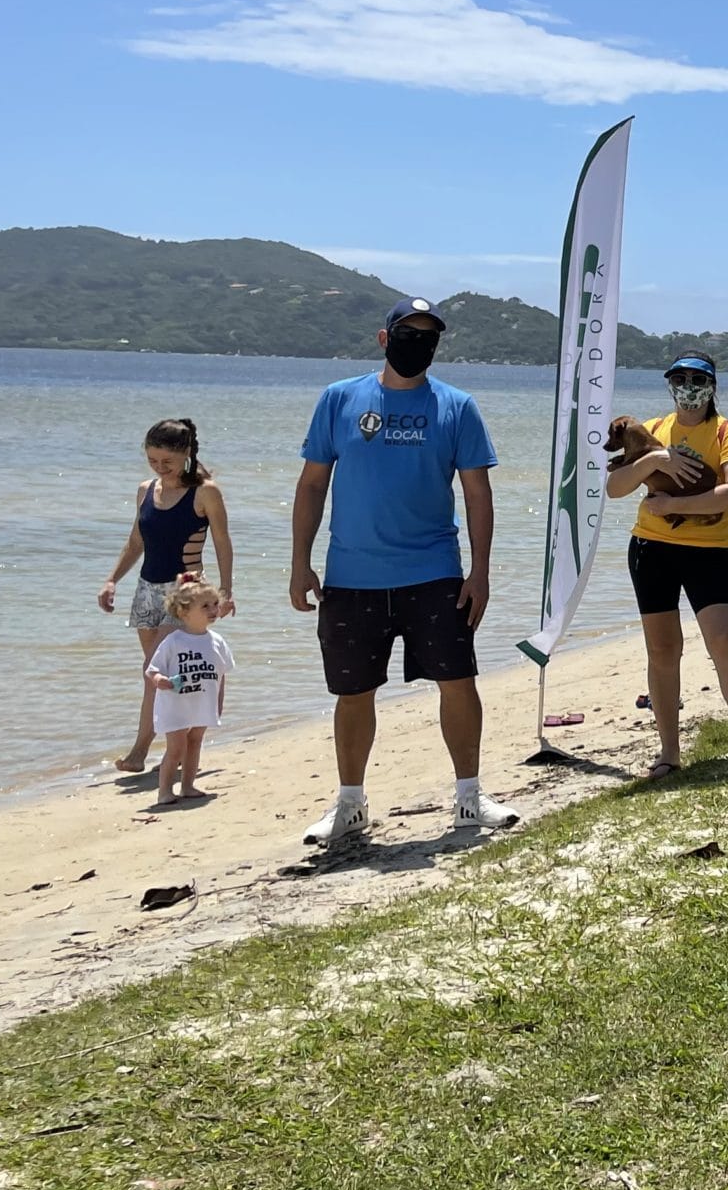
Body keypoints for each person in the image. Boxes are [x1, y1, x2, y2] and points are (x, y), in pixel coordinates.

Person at [290, 296, 515, 845]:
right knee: (353, 691)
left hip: (434, 572)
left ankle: (469, 797)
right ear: (384, 338)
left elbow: (477, 493)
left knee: (457, 682)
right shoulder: (340, 398)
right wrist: (300, 562)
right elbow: (313, 483)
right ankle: (349, 804)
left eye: (429, 337)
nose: (419, 344)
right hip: (351, 575)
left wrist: (479, 572)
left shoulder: (457, 407)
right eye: (408, 334)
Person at [608, 351, 728, 775]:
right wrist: (656, 460)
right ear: (669, 384)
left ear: (713, 385)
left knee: (725, 643)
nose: (689, 387)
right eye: (680, 378)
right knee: (662, 650)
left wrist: (677, 504)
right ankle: (669, 754)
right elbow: (615, 488)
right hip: (650, 549)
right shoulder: (651, 431)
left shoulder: (726, 433)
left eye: (698, 379)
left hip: (708, 551)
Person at [97, 417, 234, 774]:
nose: (160, 468)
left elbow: (222, 542)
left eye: (167, 462)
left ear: (186, 454)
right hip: (146, 590)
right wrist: (112, 580)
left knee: (153, 670)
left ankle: (141, 750)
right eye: (153, 461)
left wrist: (225, 591)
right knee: (166, 677)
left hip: (185, 592)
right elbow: (136, 541)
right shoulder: (145, 490)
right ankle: (180, 746)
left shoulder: (206, 492)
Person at [143, 576, 231, 805]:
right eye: (205, 606)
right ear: (184, 613)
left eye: (215, 604)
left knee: (195, 741)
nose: (213, 610)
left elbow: (222, 675)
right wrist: (160, 680)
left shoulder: (217, 641)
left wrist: (218, 703)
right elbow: (152, 670)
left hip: (202, 701)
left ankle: (188, 785)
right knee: (176, 747)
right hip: (176, 703)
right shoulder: (174, 640)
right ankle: (164, 791)